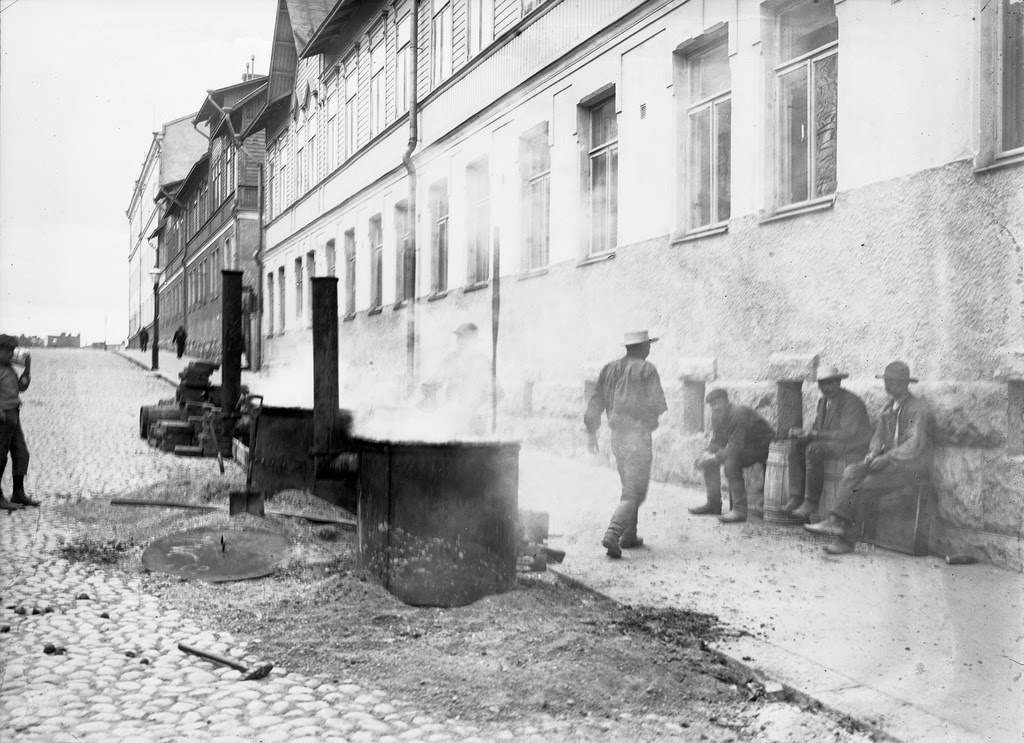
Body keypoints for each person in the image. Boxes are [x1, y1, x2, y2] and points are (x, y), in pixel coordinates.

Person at [805, 361, 933, 555]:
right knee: (852, 471)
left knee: (863, 487)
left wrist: (887, 457)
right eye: (886, 381)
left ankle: (846, 541)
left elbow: (913, 445)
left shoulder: (916, 408)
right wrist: (873, 453)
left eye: (892, 381)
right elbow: (878, 437)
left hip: (910, 467)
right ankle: (835, 520)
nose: (887, 385)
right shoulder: (889, 408)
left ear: (904, 383)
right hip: (889, 463)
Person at [584, 330, 668, 558]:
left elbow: (594, 403)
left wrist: (592, 434)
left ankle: (629, 535)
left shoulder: (609, 369)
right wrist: (649, 418)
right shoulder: (646, 369)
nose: (649, 349)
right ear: (641, 348)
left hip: (617, 438)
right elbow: (659, 404)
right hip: (637, 437)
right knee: (635, 492)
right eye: (647, 345)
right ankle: (613, 533)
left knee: (628, 486)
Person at [782, 365, 873, 522]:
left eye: (830, 383)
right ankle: (796, 497)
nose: (826, 388)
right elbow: (817, 428)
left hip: (853, 447)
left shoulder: (851, 402)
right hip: (834, 444)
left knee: (814, 449)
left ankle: (810, 502)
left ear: (839, 382)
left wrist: (815, 434)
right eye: (822, 384)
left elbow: (848, 434)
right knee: (796, 445)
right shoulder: (823, 401)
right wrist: (803, 435)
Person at [690, 388, 773, 523]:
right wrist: (706, 454)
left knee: (731, 463)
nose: (716, 407)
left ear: (726, 402)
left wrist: (715, 457)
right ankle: (713, 504)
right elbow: (717, 441)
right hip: (744, 447)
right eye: (712, 405)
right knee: (707, 460)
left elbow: (735, 447)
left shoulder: (737, 413)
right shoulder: (716, 416)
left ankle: (739, 510)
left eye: (718, 403)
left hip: (763, 447)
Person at [421, 322, 493, 435]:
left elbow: (497, 394)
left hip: (473, 424)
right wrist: (428, 389)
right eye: (459, 337)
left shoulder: (483, 362)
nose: (460, 341)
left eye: (465, 338)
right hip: (451, 421)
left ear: (474, 341)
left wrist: (477, 412)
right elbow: (435, 381)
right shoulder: (451, 359)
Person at [0, 334, 39, 510]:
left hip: (13, 416)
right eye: (7, 351)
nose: (11, 354)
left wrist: (27, 370)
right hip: (2, 417)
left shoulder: (8, 368)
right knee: (0, 456)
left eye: (12, 351)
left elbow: (21, 387)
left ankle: (18, 492)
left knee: (21, 453)